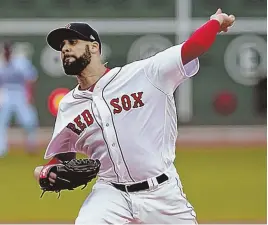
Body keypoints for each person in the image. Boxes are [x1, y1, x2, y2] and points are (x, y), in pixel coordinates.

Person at [34, 9, 235, 224]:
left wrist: (215, 22)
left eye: (72, 42)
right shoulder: (68, 105)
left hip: (162, 193)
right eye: (61, 46)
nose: (65, 49)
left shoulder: (145, 74)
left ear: (94, 47)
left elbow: (191, 48)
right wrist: (44, 171)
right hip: (110, 194)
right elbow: (65, 158)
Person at [0, 42, 39, 157]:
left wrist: (30, 95)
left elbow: (31, 79)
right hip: (5, 92)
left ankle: (31, 144)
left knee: (29, 121)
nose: (7, 53)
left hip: (20, 92)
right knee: (2, 122)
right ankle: (2, 149)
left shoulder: (21, 62)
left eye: (8, 51)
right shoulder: (1, 63)